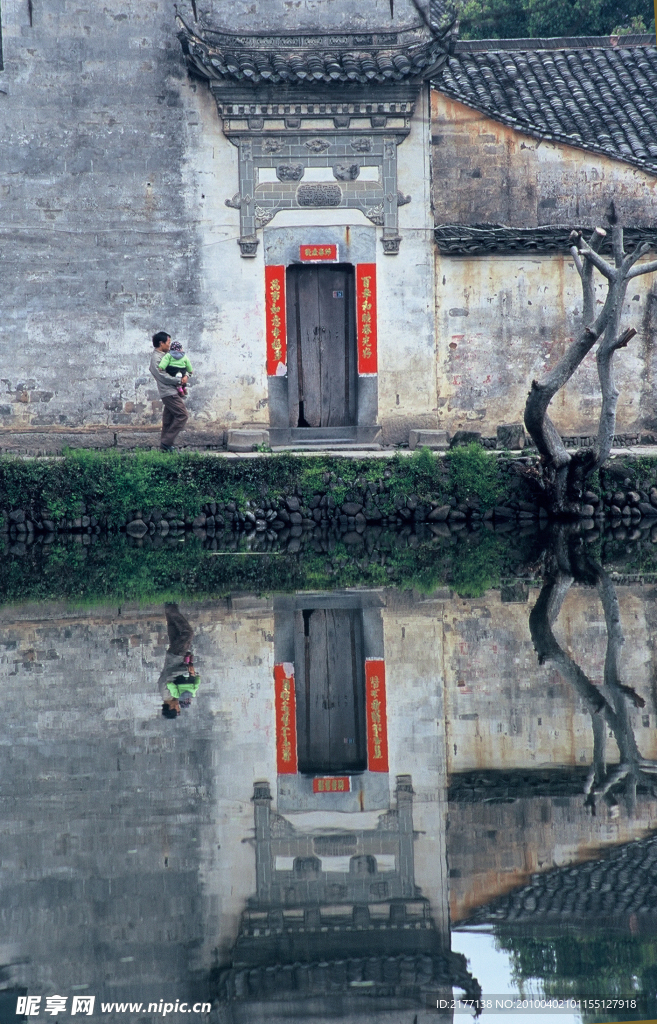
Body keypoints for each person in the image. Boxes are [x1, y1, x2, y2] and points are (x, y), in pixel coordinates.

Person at [158, 603, 200, 719]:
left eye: (177, 708)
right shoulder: (168, 696)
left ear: (171, 707)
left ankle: (170, 608)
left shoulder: (167, 694)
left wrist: (186, 669)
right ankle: (169, 603)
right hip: (174, 657)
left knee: (188, 634)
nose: (178, 705)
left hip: (175, 656)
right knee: (174, 629)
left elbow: (169, 675)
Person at [150, 331, 189, 452]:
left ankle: (164, 449)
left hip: (173, 391)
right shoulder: (156, 358)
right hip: (168, 392)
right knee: (182, 415)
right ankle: (167, 442)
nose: (170, 345)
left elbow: (183, 364)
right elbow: (162, 376)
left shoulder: (168, 354)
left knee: (168, 419)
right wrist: (179, 381)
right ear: (161, 343)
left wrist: (186, 375)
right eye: (168, 342)